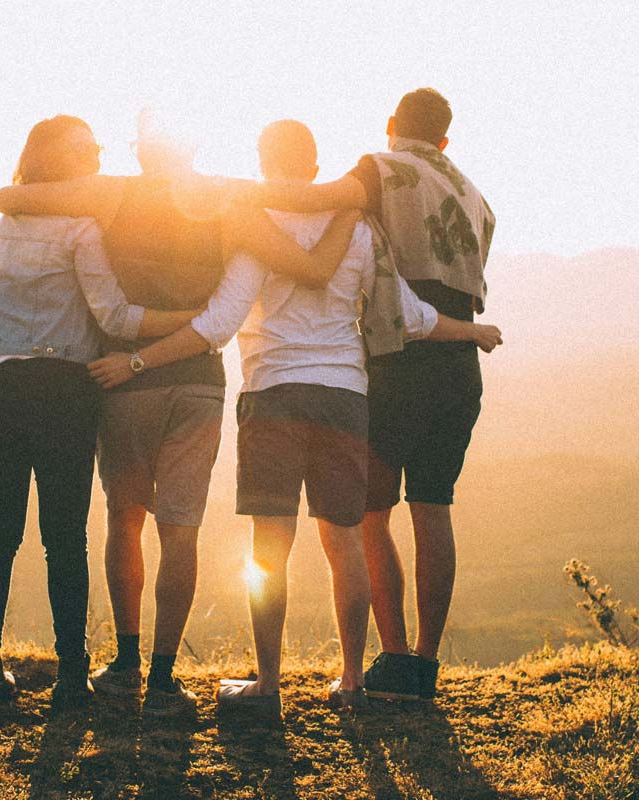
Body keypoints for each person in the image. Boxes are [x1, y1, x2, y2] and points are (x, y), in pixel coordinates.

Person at [88, 119, 501, 717]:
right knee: (345, 542)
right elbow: (410, 315)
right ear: (314, 168)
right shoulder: (358, 229)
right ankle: (354, 680)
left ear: (263, 162)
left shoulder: (255, 226)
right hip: (345, 398)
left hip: (273, 394)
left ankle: (268, 686)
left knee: (269, 548)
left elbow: (219, 324)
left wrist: (137, 360)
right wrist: (475, 332)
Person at [0, 115, 361, 717]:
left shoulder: (112, 191)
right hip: (199, 381)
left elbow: (12, 196)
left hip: (124, 380)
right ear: (194, 146)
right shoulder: (226, 198)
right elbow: (302, 249)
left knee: (125, 518)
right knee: (181, 529)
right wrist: (348, 203)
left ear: (142, 150)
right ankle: (164, 679)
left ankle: (126, 662)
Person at [237, 89, 498, 702]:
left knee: (368, 517)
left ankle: (393, 657)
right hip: (457, 361)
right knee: (434, 508)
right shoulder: (476, 196)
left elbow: (316, 199)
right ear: (446, 140)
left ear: (390, 127)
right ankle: (424, 668)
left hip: (397, 359)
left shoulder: (380, 169)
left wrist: (228, 194)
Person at [0, 115, 201, 711]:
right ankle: (72, 677)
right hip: (61, 390)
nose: (97, 156)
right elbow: (117, 319)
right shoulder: (80, 229)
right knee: (64, 538)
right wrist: (192, 322)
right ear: (59, 161)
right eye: (86, 149)